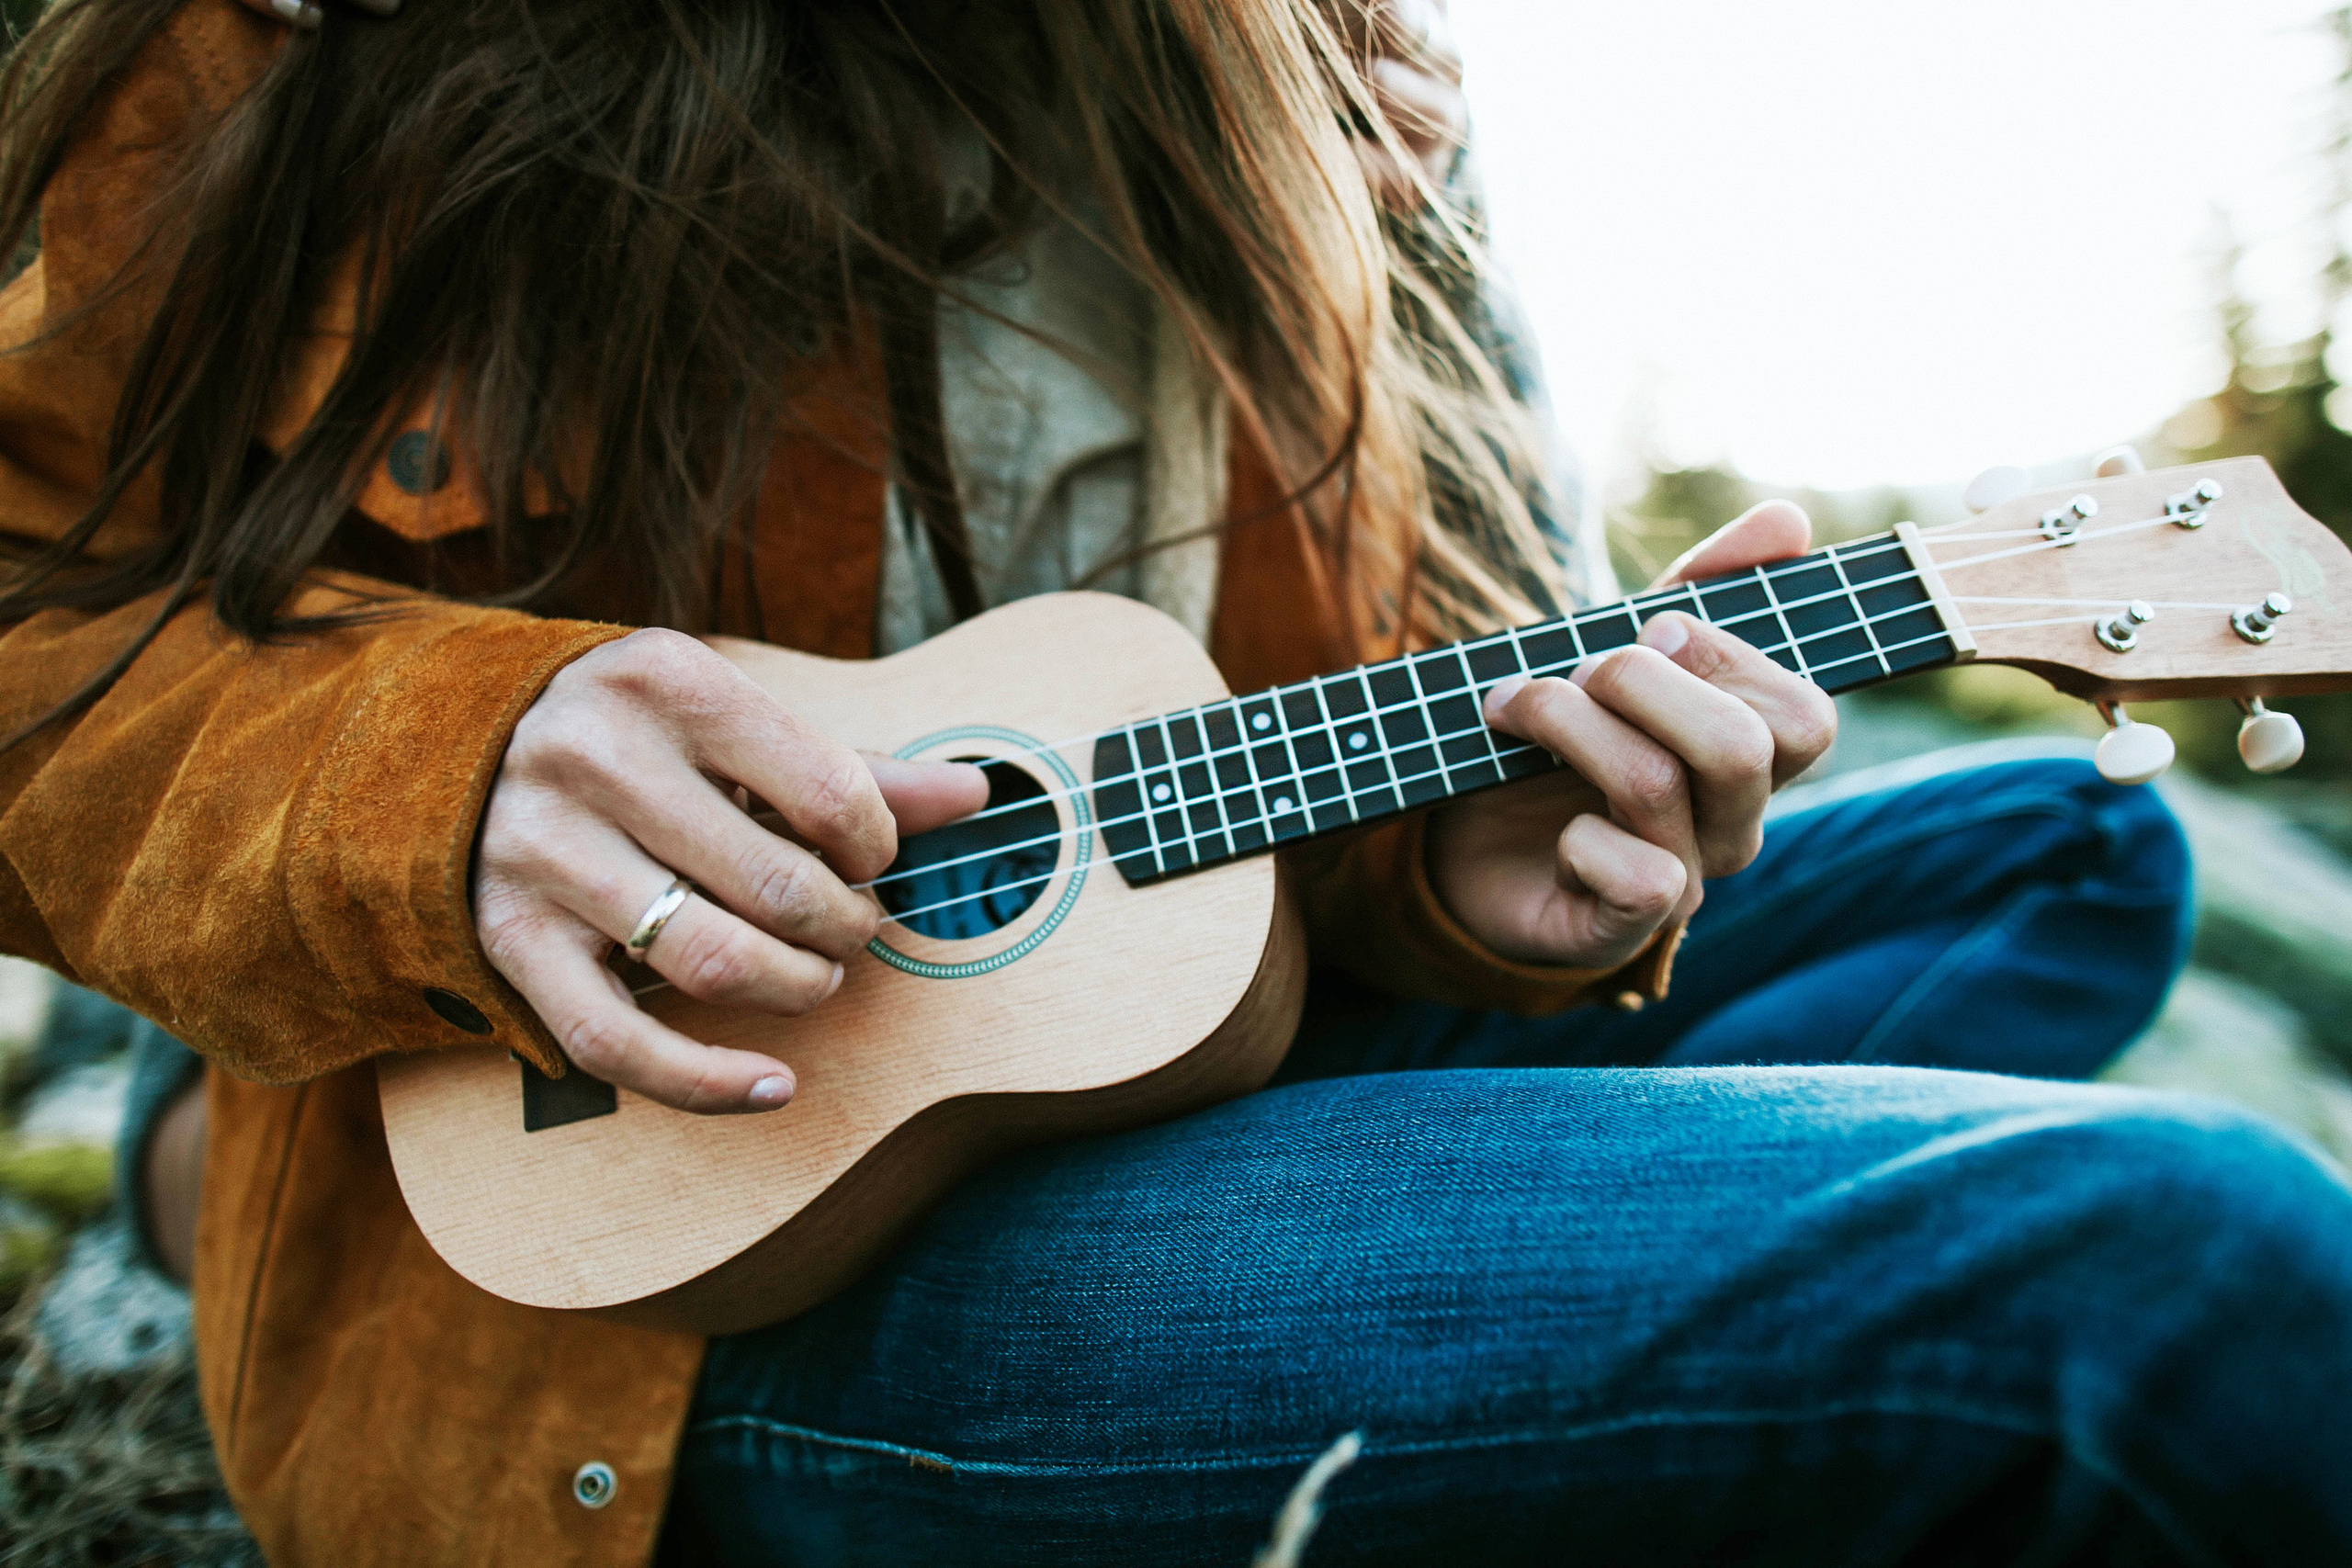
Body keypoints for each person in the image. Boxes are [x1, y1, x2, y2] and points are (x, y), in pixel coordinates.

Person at [0, 0, 2345, 1562]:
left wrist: (1476, 867)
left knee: (2078, 841)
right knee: (2173, 1264)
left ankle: (1447, 1276)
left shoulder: (1329, 103)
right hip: (652, 1274)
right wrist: (431, 767)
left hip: (1178, 1037)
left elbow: (1348, 722)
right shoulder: (293, 56)